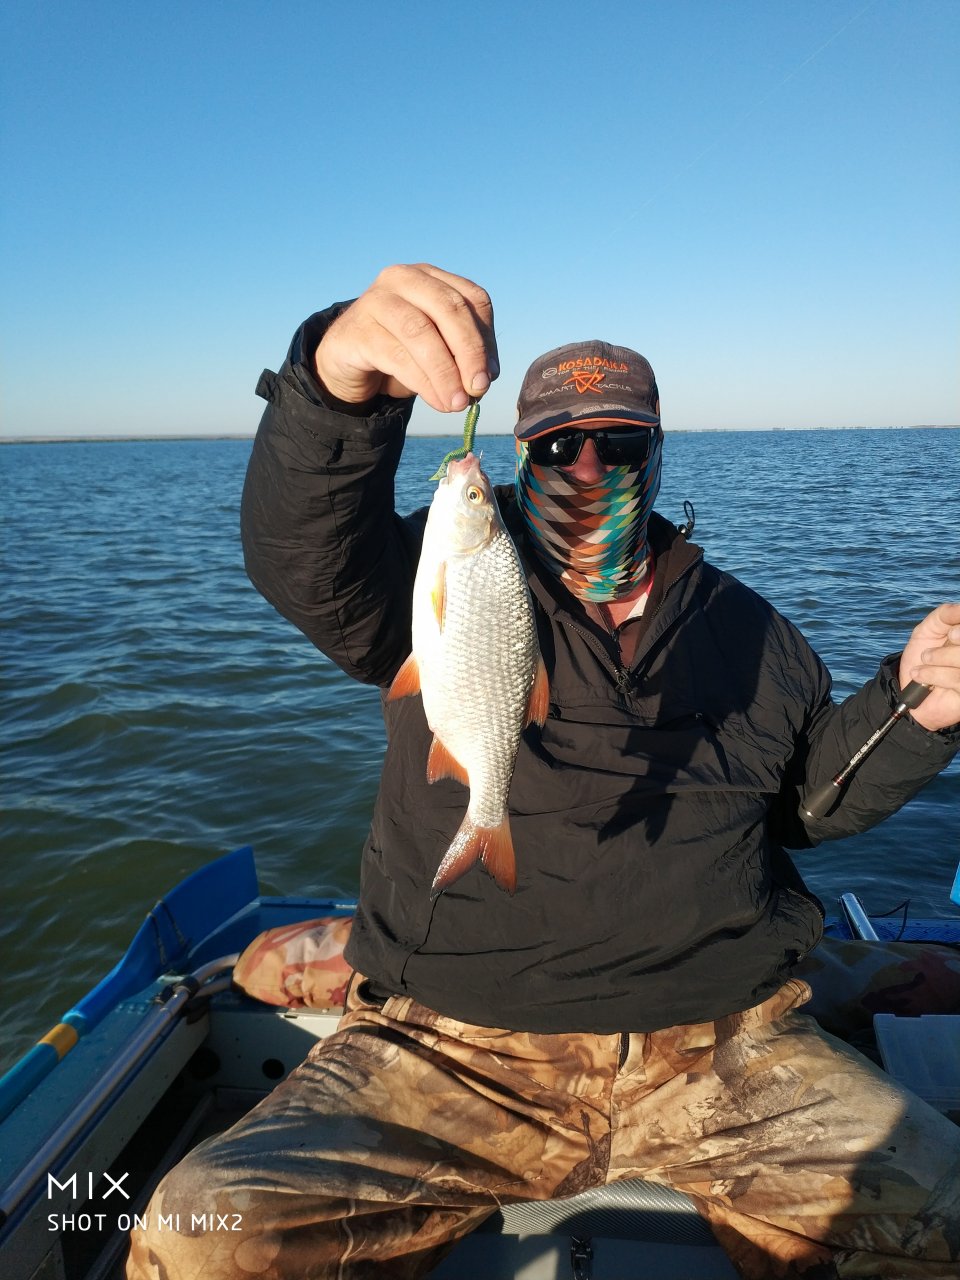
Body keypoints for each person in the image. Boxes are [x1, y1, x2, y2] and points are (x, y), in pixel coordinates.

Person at [127, 264, 960, 1279]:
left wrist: (917, 707)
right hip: (454, 1046)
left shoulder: (748, 626)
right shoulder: (441, 572)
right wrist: (334, 385)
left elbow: (806, 803)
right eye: (560, 444)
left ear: (657, 451)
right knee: (203, 1229)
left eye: (620, 441)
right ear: (521, 454)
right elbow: (303, 554)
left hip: (729, 1042)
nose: (589, 464)